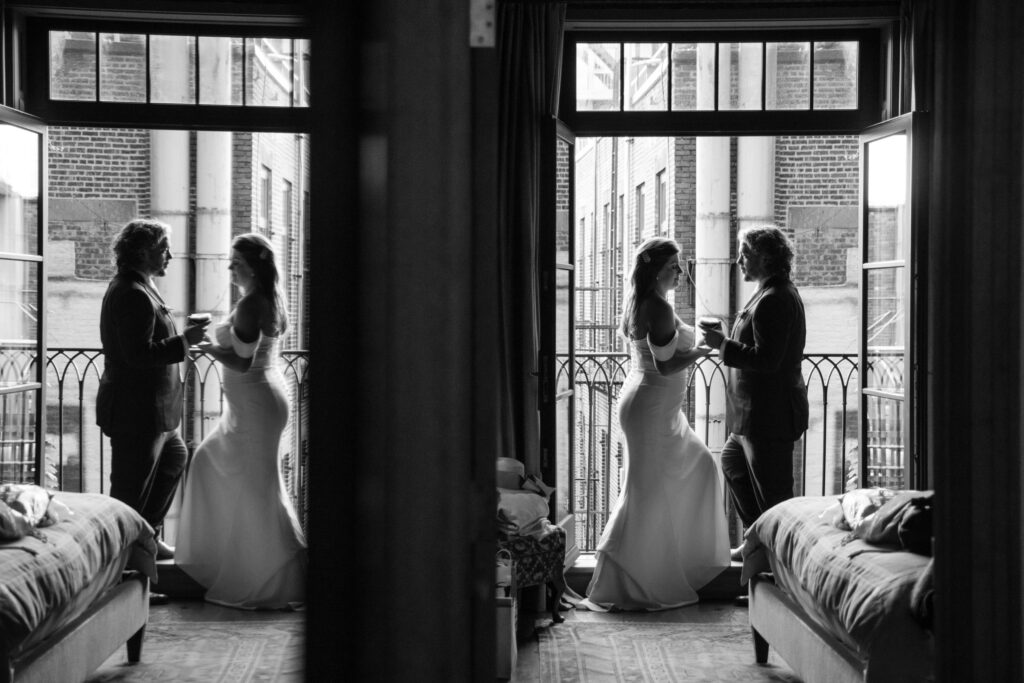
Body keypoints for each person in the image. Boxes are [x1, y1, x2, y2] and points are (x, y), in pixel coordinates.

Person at [580, 237, 730, 611]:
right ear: (659, 269)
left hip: (655, 405)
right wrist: (701, 351)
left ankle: (671, 560)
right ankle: (627, 576)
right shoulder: (657, 307)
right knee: (645, 491)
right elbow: (665, 364)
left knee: (698, 466)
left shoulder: (646, 302)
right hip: (651, 407)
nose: (681, 272)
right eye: (675, 266)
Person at [176, 232, 306, 609]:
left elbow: (241, 360)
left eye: (236, 262)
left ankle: (269, 576)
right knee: (211, 463)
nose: (230, 268)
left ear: (252, 266)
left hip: (255, 402)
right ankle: (229, 558)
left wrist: (205, 347)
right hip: (256, 401)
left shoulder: (251, 304)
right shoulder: (268, 298)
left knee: (256, 485)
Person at [96, 219, 210, 564]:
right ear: (142, 251)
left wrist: (181, 338)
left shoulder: (142, 286)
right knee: (130, 492)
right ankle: (121, 566)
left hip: (156, 412)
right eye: (164, 249)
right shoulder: (130, 292)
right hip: (137, 412)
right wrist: (184, 342)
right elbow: (137, 355)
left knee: (175, 458)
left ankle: (149, 540)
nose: (171, 256)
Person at [701, 226, 808, 561]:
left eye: (745, 254)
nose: (738, 261)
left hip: (769, 416)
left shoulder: (776, 298)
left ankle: (776, 573)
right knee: (732, 463)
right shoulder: (768, 292)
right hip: (752, 415)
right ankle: (757, 544)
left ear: (766, 256)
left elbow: (768, 360)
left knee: (774, 500)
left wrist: (723, 346)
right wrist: (726, 338)